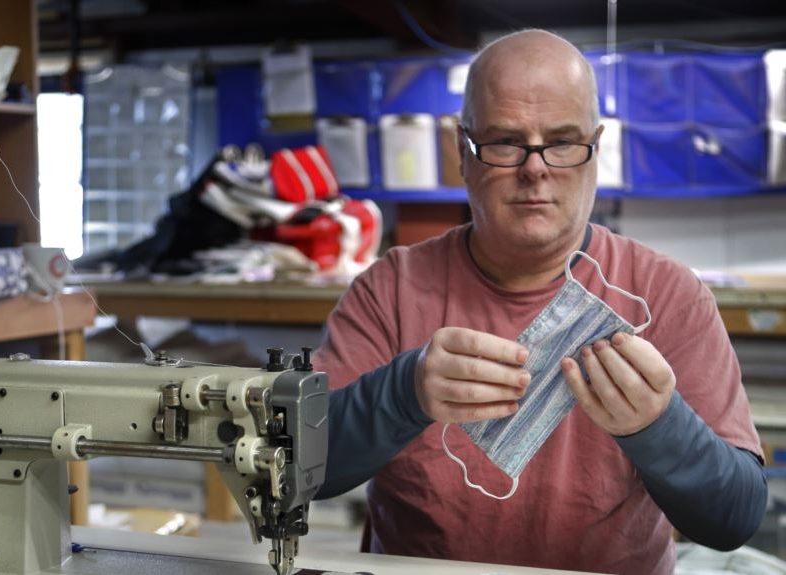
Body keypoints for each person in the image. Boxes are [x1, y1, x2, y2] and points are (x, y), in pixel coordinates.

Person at [313, 29, 767, 575]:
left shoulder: (667, 296)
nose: (536, 168)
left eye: (563, 142)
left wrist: (659, 426)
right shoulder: (389, 289)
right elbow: (298, 470)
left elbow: (734, 519)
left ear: (596, 148)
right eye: (505, 142)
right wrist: (402, 394)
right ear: (463, 151)